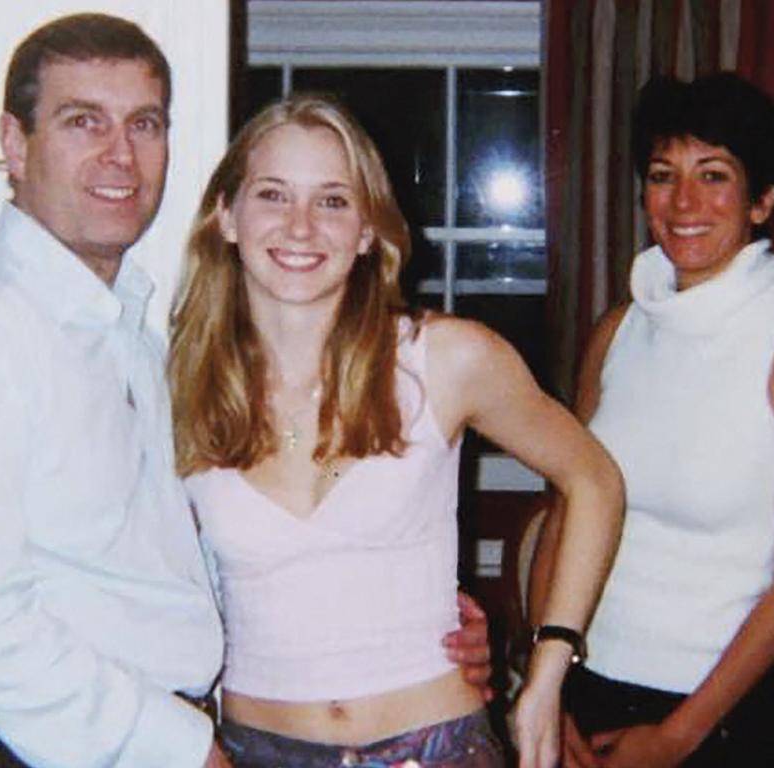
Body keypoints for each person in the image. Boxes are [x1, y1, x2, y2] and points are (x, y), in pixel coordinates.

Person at [0, 14, 492, 768]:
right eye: (82, 121)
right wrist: (176, 744)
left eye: (145, 124)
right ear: (14, 141)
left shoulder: (141, 337)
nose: (120, 154)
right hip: (56, 748)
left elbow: (164, 567)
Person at [169, 94, 624, 768]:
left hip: (437, 749)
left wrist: (549, 667)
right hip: (253, 751)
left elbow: (594, 479)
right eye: (273, 195)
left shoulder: (445, 359)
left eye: (332, 201)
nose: (300, 226)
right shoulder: (176, 385)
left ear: (365, 232)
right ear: (227, 217)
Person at [529, 73, 774, 768]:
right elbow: (565, 516)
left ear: (763, 201)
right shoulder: (618, 331)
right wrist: (548, 681)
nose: (684, 202)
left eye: (713, 175)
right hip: (586, 690)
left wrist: (678, 736)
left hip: (724, 714)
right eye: (664, 175)